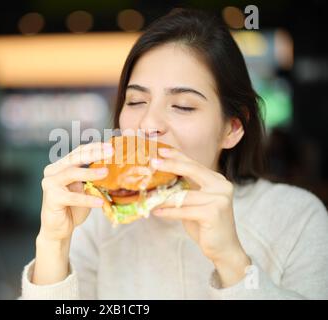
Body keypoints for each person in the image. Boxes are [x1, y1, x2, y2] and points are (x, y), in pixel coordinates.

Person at [20, 8, 328, 299]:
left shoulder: (296, 218)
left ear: (233, 128)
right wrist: (53, 244)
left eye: (182, 105)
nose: (148, 124)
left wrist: (232, 261)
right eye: (136, 101)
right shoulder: (96, 218)